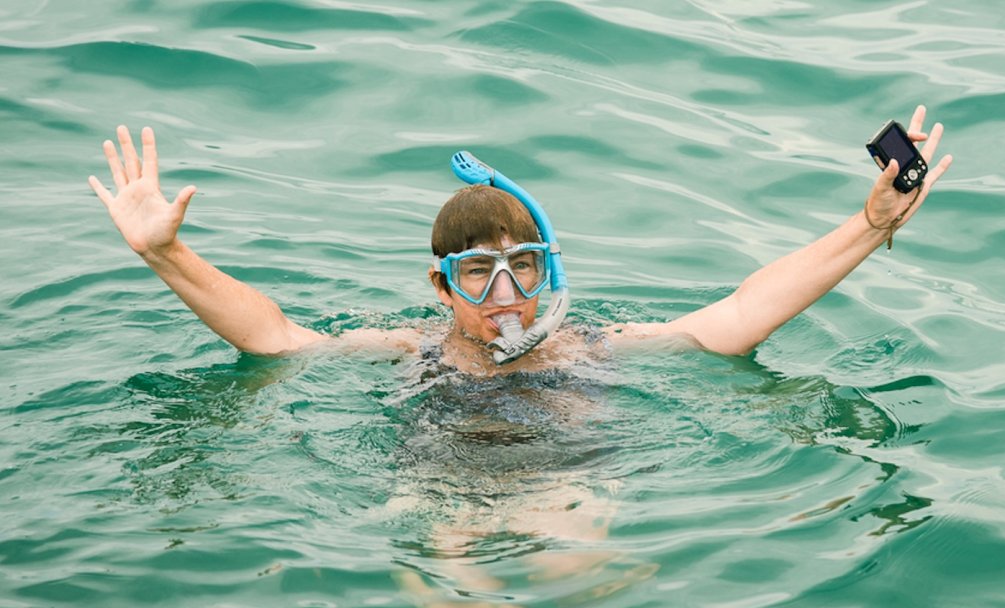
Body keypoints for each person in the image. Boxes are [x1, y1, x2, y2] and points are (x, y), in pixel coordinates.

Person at [88, 106, 952, 373]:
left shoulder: (591, 346)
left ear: (549, 270)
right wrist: (165, 253)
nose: (506, 296)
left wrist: (867, 226)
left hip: (566, 472)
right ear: (440, 288)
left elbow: (745, 309)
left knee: (588, 568)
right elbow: (274, 336)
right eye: (478, 276)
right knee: (444, 596)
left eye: (523, 267)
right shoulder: (410, 351)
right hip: (442, 476)